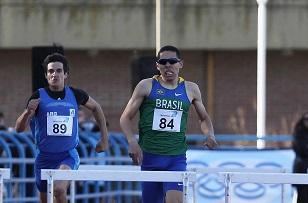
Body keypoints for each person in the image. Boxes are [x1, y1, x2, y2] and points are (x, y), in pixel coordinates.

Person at [120, 45, 218, 203]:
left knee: (175, 200)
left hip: (175, 158)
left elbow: (204, 118)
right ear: (157, 65)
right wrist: (132, 141)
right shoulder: (146, 86)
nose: (168, 65)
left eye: (172, 61)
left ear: (180, 64)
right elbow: (125, 118)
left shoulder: (191, 89)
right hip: (150, 156)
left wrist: (210, 134)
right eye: (163, 62)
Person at [15, 53, 109, 203]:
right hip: (44, 157)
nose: (55, 74)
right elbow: (19, 129)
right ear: (46, 75)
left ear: (66, 74)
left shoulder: (76, 94)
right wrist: (27, 112)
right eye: (51, 71)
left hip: (68, 155)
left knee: (58, 189)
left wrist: (104, 139)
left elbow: (96, 108)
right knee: (45, 199)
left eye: (59, 71)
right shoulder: (38, 96)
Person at [292, 111, 308, 203]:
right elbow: (300, 150)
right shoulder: (299, 133)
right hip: (302, 169)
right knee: (303, 197)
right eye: (307, 119)